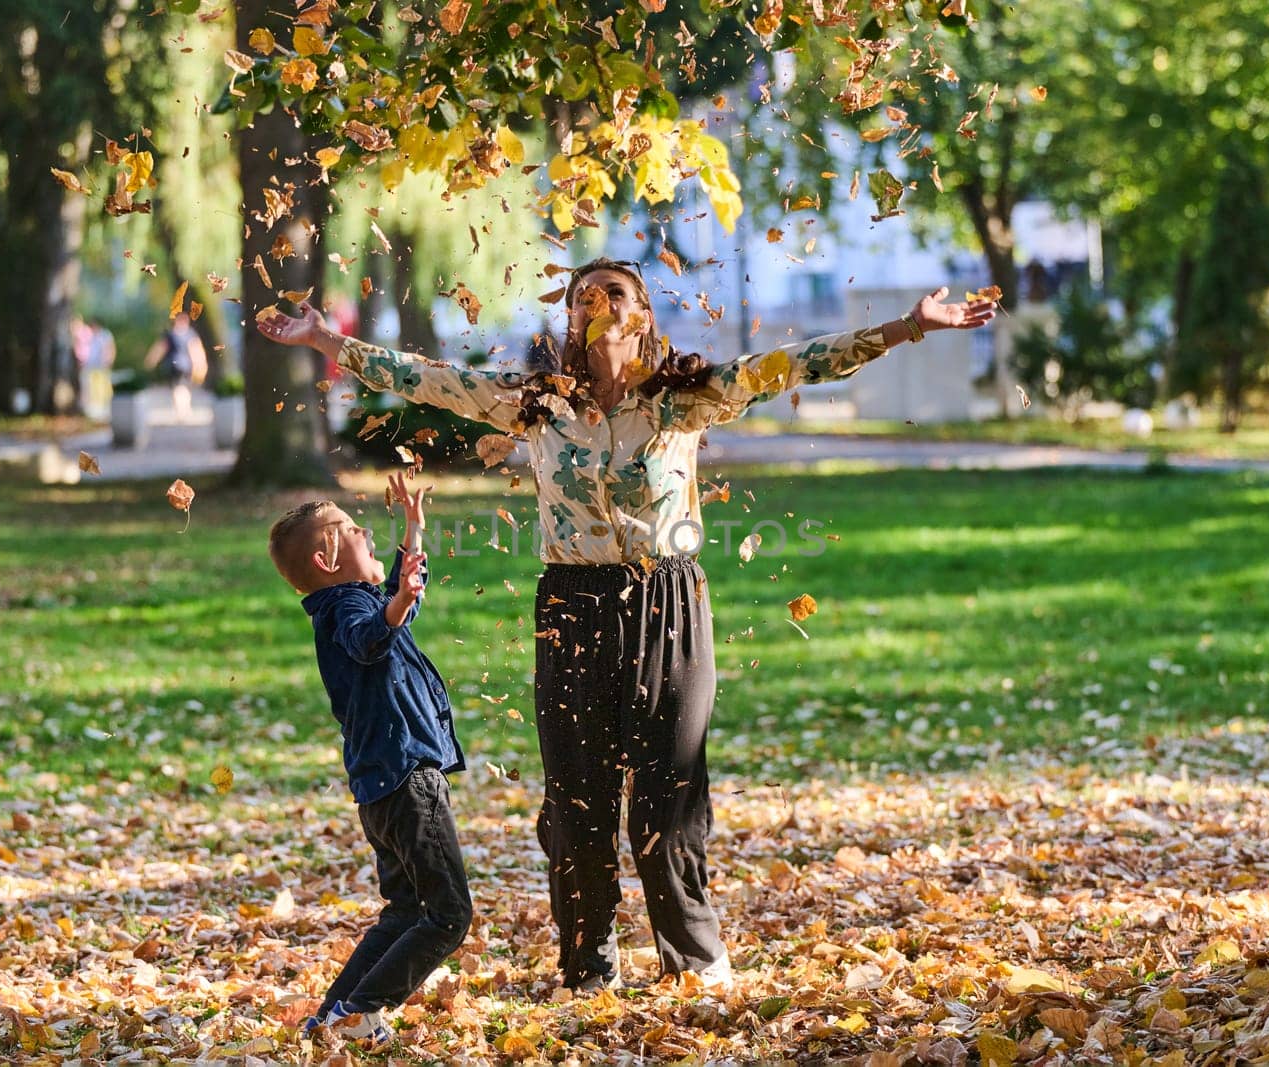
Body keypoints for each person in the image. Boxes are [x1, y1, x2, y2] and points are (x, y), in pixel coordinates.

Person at [258, 258, 996, 994]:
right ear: (574, 321)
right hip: (572, 609)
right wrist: (331, 342)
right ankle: (588, 963)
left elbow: (791, 364)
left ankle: (695, 959)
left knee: (669, 799)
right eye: (585, 297)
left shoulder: (685, 398)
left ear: (641, 314)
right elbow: (428, 378)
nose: (597, 304)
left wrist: (906, 327)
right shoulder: (535, 404)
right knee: (578, 799)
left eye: (615, 294)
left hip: (668, 602)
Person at [267, 471, 472, 1046]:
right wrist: (402, 597)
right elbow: (371, 635)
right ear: (326, 555)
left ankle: (331, 1019)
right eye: (352, 528)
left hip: (383, 786)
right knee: (448, 915)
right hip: (408, 781)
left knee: (407, 910)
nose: (365, 530)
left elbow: (392, 615)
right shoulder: (346, 614)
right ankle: (361, 1012)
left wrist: (414, 531)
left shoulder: (344, 603)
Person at [144, 313, 207, 423]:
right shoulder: (190, 334)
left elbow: (160, 348)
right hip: (186, 366)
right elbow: (196, 350)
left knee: (178, 388)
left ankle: (182, 412)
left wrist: (151, 361)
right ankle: (185, 410)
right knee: (183, 388)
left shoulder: (171, 334)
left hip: (174, 365)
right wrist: (200, 364)